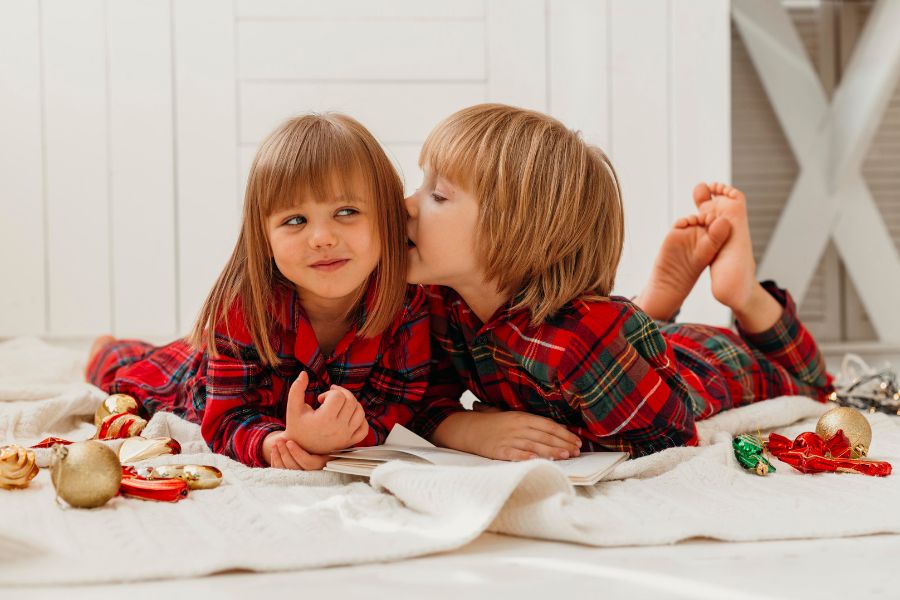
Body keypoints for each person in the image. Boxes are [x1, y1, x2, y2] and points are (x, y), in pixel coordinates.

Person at [404, 103, 834, 461]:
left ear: (517, 234)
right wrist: (470, 430)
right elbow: (414, 399)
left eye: (437, 195)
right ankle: (651, 309)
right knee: (613, 344)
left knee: (811, 381)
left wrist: (540, 433)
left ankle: (743, 293)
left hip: (711, 362)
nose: (406, 204)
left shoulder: (580, 341)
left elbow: (668, 438)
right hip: (620, 354)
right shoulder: (440, 304)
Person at [86, 113, 458, 469]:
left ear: (387, 218)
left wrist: (347, 433)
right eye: (295, 220)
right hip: (200, 377)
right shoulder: (243, 308)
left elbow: (398, 400)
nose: (323, 238)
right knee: (131, 372)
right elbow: (228, 417)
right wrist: (276, 443)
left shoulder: (408, 303)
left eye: (346, 212)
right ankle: (106, 349)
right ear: (264, 239)